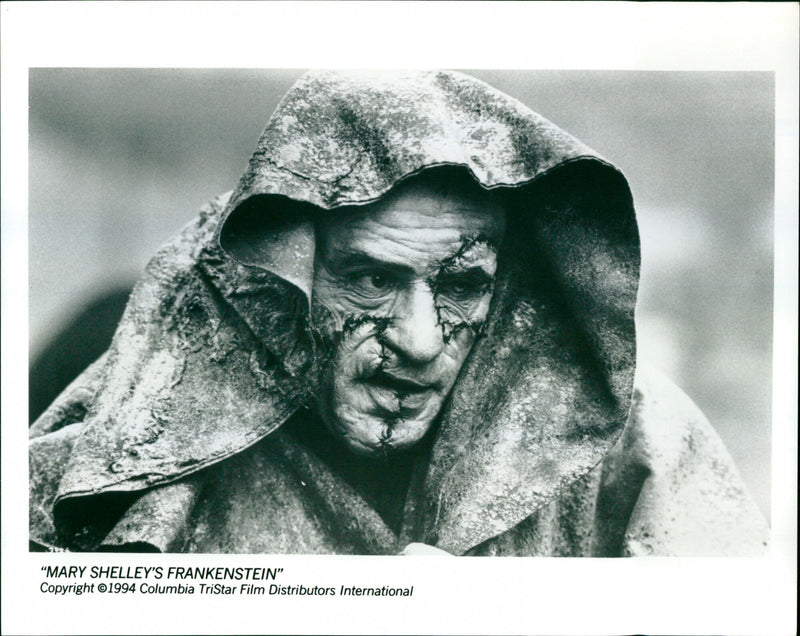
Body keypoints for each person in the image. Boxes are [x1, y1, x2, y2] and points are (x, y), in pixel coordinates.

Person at [29, 70, 768, 555]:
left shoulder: (631, 450)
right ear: (283, 286)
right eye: (369, 281)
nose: (419, 341)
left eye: (461, 286)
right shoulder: (122, 465)